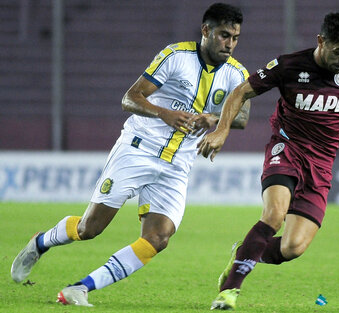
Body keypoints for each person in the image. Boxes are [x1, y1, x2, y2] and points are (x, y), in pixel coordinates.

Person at [11, 2, 250, 307]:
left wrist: (214, 120)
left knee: (158, 238)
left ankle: (80, 289)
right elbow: (131, 98)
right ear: (206, 31)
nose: (229, 44)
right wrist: (163, 113)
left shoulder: (235, 73)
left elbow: (241, 117)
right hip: (138, 149)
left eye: (235, 38)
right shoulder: (176, 57)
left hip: (178, 164)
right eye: (223, 35)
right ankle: (41, 241)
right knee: (89, 229)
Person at [197, 12, 339, 310]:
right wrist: (221, 130)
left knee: (292, 248)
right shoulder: (288, 66)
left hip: (321, 165)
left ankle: (244, 251)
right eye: (338, 52)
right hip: (287, 149)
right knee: (273, 215)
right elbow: (241, 92)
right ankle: (229, 291)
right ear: (321, 41)